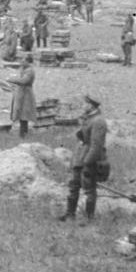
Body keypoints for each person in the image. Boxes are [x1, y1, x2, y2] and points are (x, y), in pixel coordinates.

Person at [58, 95, 108, 224]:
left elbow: (96, 145)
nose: (82, 106)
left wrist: (87, 162)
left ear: (91, 105)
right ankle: (70, 214)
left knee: (89, 188)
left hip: (89, 159)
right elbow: (83, 137)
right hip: (80, 157)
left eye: (84, 104)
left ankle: (88, 219)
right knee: (74, 185)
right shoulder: (89, 118)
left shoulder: (99, 121)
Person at [6, 55, 37, 137]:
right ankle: (23, 134)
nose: (21, 63)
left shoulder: (30, 71)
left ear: (28, 62)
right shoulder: (24, 69)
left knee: (24, 115)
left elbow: (24, 81)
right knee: (21, 115)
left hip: (26, 94)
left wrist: (12, 79)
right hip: (21, 93)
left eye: (23, 61)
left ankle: (23, 135)